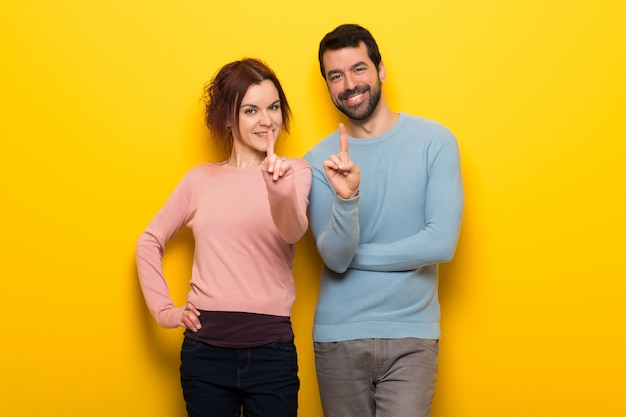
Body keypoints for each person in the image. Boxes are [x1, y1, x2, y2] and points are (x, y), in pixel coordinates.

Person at [136, 58, 312, 417]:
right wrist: (167, 312)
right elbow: (148, 242)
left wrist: (278, 189)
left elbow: (294, 230)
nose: (267, 120)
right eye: (251, 110)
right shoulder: (199, 180)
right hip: (205, 353)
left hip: (271, 352)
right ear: (229, 119)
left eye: (274, 107)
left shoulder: (295, 171)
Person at [304, 24, 464, 417]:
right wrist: (347, 199)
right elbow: (337, 258)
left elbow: (440, 242)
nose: (349, 84)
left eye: (359, 69)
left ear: (381, 70)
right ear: (327, 86)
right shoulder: (318, 159)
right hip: (338, 336)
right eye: (335, 76)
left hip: (412, 335)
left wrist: (360, 255)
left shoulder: (435, 141)